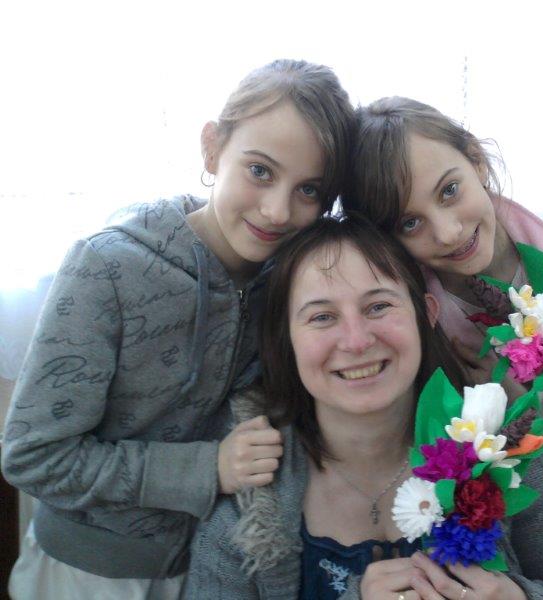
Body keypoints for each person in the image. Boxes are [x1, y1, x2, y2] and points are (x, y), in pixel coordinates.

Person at [1, 59, 354, 599]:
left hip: (211, 567)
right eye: (260, 171)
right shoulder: (106, 268)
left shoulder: (293, 281)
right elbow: (34, 457)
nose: (277, 211)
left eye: (308, 190)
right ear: (212, 149)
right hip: (86, 573)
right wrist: (207, 468)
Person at [183, 214, 543, 599]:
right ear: (285, 339)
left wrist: (516, 598)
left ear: (426, 313)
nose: (356, 341)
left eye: (379, 306)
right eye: (322, 317)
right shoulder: (251, 489)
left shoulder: (507, 448)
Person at [341, 97, 543, 481]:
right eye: (410, 223)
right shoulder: (411, 313)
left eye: (449, 190)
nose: (448, 233)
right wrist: (521, 421)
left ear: (477, 160)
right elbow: (450, 452)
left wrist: (533, 409)